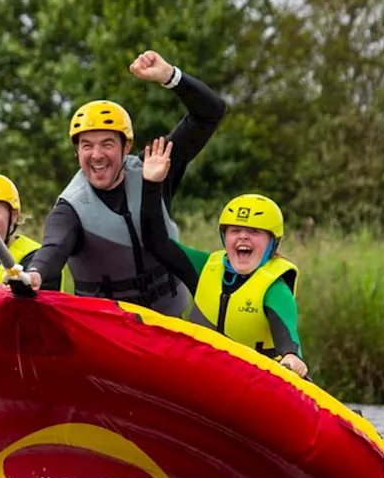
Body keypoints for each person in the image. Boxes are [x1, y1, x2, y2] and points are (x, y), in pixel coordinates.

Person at [15, 50, 226, 318]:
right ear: (77, 152)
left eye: (107, 144)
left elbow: (210, 113)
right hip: (110, 330)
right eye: (87, 146)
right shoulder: (69, 207)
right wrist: (35, 273)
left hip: (169, 320)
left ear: (126, 146)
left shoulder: (155, 166)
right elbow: (53, 248)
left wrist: (170, 76)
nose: (97, 155)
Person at [136, 137, 311, 380]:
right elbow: (156, 242)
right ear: (224, 236)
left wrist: (292, 357)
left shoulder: (275, 288)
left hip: (258, 385)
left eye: (254, 232)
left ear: (272, 243)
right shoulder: (206, 268)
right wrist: (152, 185)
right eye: (235, 231)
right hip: (204, 378)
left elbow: (287, 340)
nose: (243, 238)